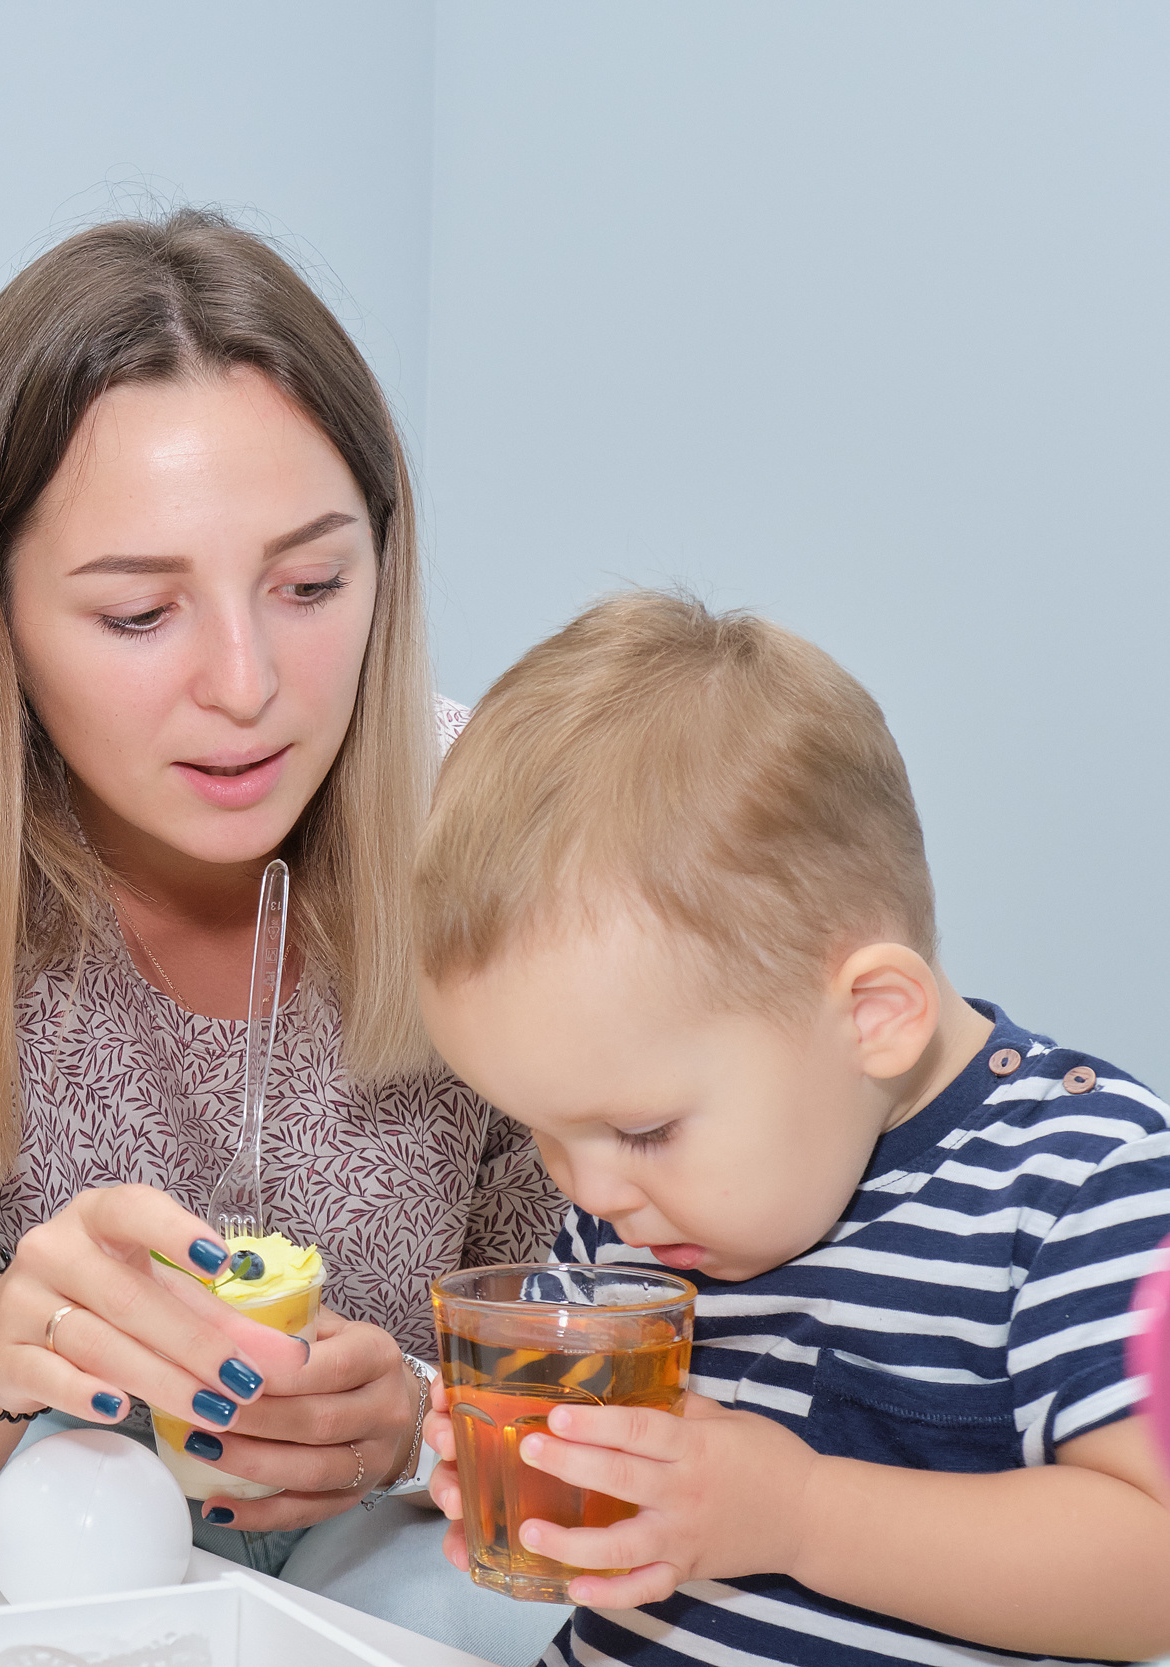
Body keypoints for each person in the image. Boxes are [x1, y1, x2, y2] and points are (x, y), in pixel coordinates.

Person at [0, 210, 563, 1652]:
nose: (249, 683)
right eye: (141, 611)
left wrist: (423, 1412)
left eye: (313, 585)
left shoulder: (495, 822)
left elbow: (637, 1361)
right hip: (84, 1555)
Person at [413, 591, 1170, 1666]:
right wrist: (543, 1474)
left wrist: (801, 1511)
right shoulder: (632, 1208)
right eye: (540, 1128)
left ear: (873, 1015)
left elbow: (1155, 1567)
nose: (584, 1192)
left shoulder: (1081, 1185)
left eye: (641, 1126)